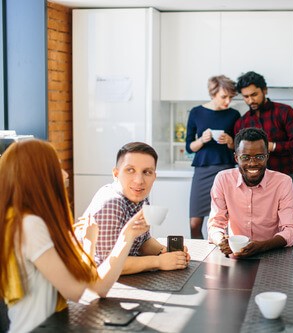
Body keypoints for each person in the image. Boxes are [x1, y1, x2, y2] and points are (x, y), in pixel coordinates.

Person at [0, 140, 150, 332]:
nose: (65, 174)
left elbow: (100, 288)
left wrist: (127, 235)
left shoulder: (33, 222)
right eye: (57, 167)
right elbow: (77, 292)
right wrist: (89, 243)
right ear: (40, 175)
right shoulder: (29, 226)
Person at [83, 142, 190, 275]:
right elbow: (107, 265)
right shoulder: (111, 203)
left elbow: (143, 241)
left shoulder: (140, 197)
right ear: (116, 174)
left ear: (154, 176)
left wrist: (166, 252)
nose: (139, 181)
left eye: (147, 172)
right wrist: (159, 262)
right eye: (130, 170)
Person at [207, 127, 293, 257]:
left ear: (267, 156)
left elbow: (291, 230)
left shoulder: (283, 182)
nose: (252, 163)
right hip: (235, 255)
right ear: (236, 158)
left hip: (272, 253)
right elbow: (215, 224)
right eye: (245, 157)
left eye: (259, 156)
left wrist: (262, 246)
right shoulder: (223, 179)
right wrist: (220, 240)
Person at [234, 71, 293, 203]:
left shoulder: (285, 112)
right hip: (253, 183)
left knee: (289, 220)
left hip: (283, 178)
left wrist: (272, 146)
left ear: (265, 90)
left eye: (254, 94)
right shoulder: (242, 122)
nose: (250, 100)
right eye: (246, 96)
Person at [185, 75, 241, 239]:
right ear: (212, 94)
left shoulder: (234, 115)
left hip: (226, 170)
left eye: (230, 97)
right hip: (202, 171)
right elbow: (189, 146)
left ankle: (220, 258)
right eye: (224, 96)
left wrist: (231, 141)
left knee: (224, 224)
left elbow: (239, 147)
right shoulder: (196, 112)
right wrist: (202, 139)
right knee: (194, 224)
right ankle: (199, 259)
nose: (227, 101)